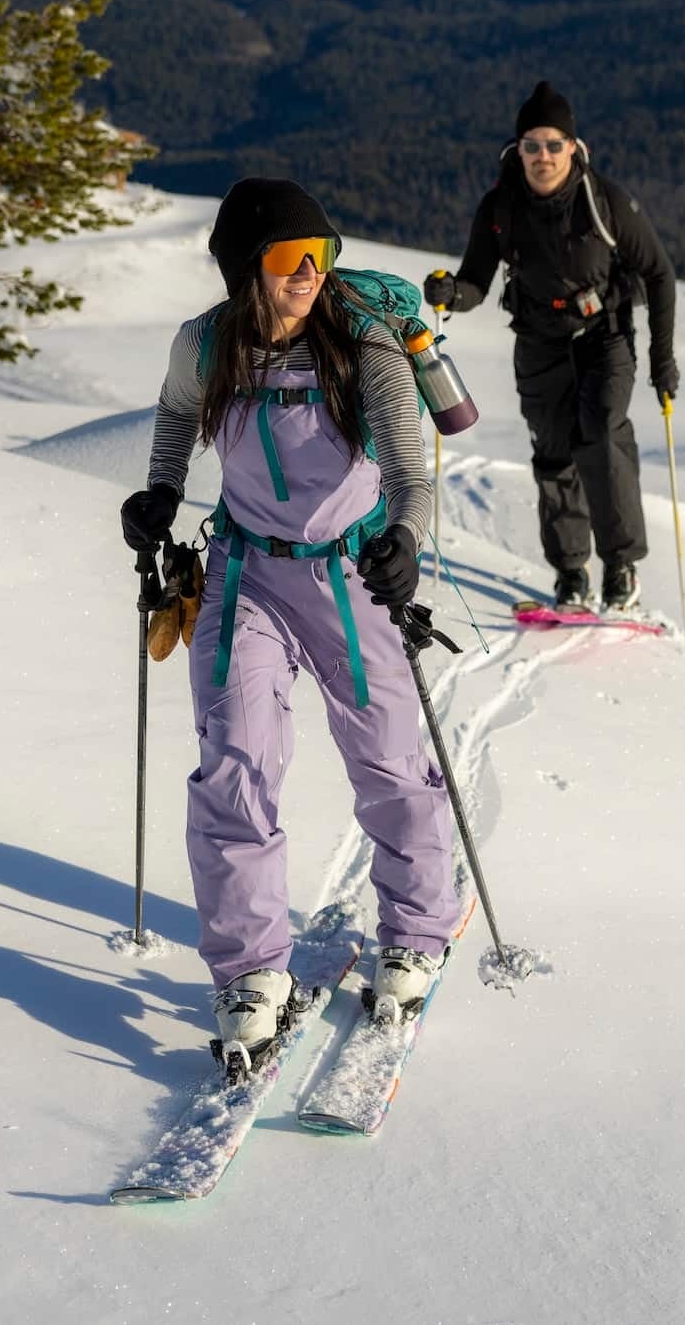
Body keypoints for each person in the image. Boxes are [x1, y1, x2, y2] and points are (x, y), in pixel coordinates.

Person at [118, 178, 461, 1073]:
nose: (310, 273)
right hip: (243, 574)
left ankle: (418, 930)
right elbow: (175, 417)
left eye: (322, 253)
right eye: (287, 258)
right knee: (234, 759)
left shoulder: (363, 345)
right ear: (245, 272)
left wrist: (406, 541)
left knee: (387, 754)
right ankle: (248, 973)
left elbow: (410, 473)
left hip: (348, 573)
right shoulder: (208, 343)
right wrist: (160, 490)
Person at [425, 80, 680, 612]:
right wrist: (452, 293)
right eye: (532, 145)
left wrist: (662, 362)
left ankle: (621, 568)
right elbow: (476, 281)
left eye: (553, 144)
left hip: (604, 334)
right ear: (517, 151)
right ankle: (570, 574)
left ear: (574, 147)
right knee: (554, 453)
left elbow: (658, 273)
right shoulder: (500, 206)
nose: (543, 156)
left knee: (603, 435)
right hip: (538, 341)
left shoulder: (603, 202)